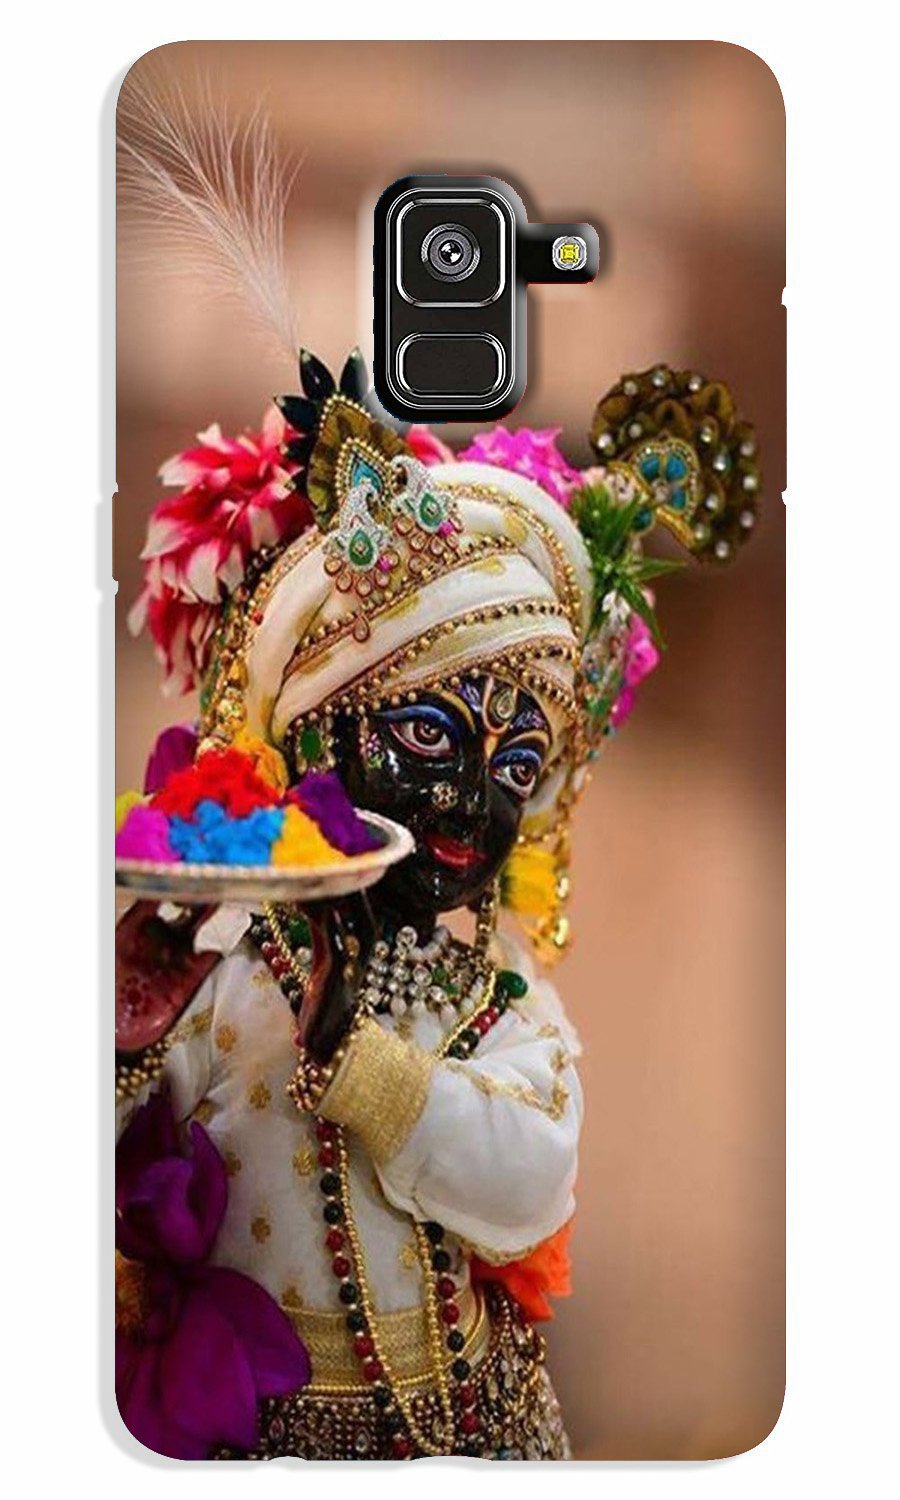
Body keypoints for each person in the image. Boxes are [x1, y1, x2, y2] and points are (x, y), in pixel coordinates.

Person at [115, 354, 759, 1460]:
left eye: (514, 768)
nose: (471, 801)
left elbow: (530, 1182)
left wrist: (360, 1064)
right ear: (318, 728)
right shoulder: (220, 973)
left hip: (476, 1436)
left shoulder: (498, 998)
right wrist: (123, 1037)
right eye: (426, 737)